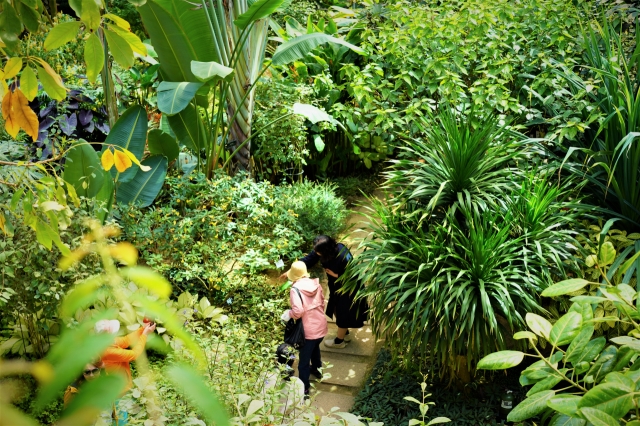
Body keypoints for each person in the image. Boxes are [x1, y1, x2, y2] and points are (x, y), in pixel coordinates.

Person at [297, 235, 368, 349]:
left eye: (317, 250)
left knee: (343, 313)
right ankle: (344, 333)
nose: (315, 252)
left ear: (326, 250)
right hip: (336, 287)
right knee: (335, 308)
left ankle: (339, 342)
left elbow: (353, 275)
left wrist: (336, 275)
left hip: (349, 289)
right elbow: (309, 259)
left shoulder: (342, 255)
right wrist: (295, 269)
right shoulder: (324, 250)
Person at [280, 261, 328, 396]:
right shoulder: (315, 284)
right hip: (321, 326)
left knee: (303, 363)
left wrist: (288, 314)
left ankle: (304, 389)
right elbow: (323, 301)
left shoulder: (295, 289)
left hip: (308, 331)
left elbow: (298, 311)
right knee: (315, 348)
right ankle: (318, 371)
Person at [96, 319, 155, 392]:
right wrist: (145, 334)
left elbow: (126, 340)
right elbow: (135, 354)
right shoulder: (109, 352)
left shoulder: (107, 342)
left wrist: (143, 329)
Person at [262, 343, 306, 413]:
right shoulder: (298, 384)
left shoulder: (265, 376)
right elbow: (298, 410)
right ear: (293, 360)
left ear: (275, 359)